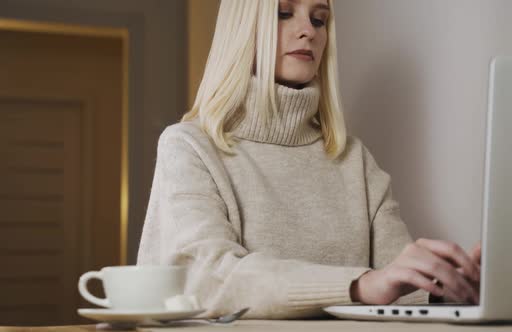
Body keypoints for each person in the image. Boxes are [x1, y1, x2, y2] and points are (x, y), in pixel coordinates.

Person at [137, 0, 481, 319]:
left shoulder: (354, 160)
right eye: (284, 13)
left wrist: (451, 287)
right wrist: (358, 285)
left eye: (319, 19)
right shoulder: (188, 146)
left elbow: (397, 287)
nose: (310, 31)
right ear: (241, 27)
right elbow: (206, 280)